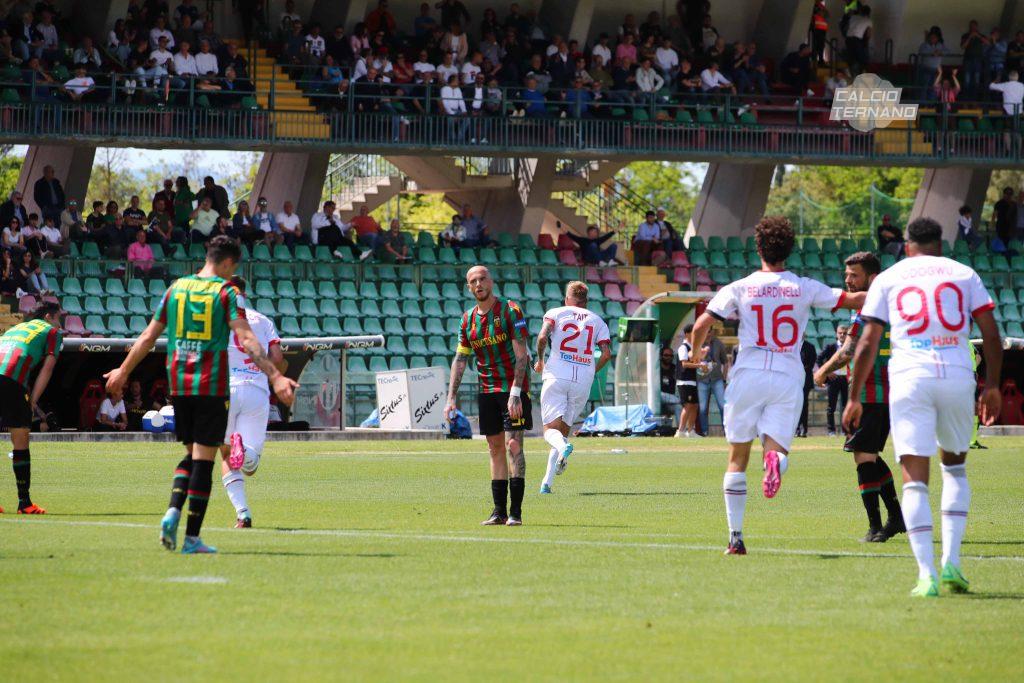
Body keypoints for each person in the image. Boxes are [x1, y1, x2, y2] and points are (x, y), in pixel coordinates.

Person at [104, 236, 298, 555]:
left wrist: (122, 371)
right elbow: (247, 338)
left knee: (191, 454)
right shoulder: (227, 292)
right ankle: (191, 537)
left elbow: (148, 337)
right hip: (211, 384)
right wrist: (275, 376)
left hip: (180, 385)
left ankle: (173, 510)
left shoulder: (176, 289)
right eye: (233, 267)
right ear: (227, 263)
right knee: (204, 462)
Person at [842, 218, 1002, 598]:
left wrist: (853, 396)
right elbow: (991, 334)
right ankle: (953, 564)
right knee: (955, 470)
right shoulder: (964, 273)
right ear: (940, 244)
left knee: (915, 479)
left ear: (907, 246)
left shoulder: (889, 278)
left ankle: (926, 575)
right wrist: (993, 385)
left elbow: (866, 343)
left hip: (910, 378)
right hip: (956, 376)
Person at [689, 216, 865, 555]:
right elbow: (855, 300)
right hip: (787, 374)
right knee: (776, 450)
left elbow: (701, 326)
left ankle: (735, 538)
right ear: (789, 250)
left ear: (758, 248)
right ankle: (775, 462)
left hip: (748, 372)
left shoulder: (739, 287)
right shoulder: (803, 286)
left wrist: (696, 354)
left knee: (737, 458)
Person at [814, 252, 904, 542]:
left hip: (872, 392)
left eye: (854, 275)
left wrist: (822, 371)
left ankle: (876, 526)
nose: (848, 280)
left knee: (863, 456)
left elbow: (849, 350)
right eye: (846, 274)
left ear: (872, 277)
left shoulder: (872, 306)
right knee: (868, 455)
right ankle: (896, 517)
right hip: (882, 392)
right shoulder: (889, 302)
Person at [444, 266, 531, 526]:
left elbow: (522, 355)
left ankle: (515, 513)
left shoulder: (510, 310)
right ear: (469, 287)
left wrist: (515, 392)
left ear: (491, 282)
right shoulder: (467, 320)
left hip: (512, 390)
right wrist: (451, 398)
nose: (478, 284)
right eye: (473, 281)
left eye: (482, 279)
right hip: (487, 390)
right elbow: (460, 359)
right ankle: (498, 511)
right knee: (494, 449)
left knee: (513, 445)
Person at [219, 276, 286, 528]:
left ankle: (243, 513)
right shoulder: (263, 320)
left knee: (226, 455)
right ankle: (245, 450)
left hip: (226, 390)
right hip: (256, 390)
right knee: (250, 465)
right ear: (245, 294)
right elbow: (277, 357)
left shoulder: (218, 320)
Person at [534, 281, 612, 493]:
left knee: (550, 431)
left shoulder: (556, 313)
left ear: (567, 298)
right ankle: (546, 483)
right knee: (563, 430)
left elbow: (542, 337)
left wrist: (540, 361)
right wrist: (592, 370)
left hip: (557, 374)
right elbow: (606, 354)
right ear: (586, 300)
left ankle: (563, 448)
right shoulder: (598, 321)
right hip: (582, 379)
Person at [0, 301, 63, 514]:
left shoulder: (16, 328)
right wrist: (33, 401)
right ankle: (24, 503)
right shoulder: (52, 332)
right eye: (58, 318)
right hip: (11, 378)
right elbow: (48, 368)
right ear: (48, 317)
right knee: (20, 440)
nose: (60, 324)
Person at [817, 325, 850, 436]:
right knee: (831, 406)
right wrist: (827, 372)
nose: (842, 335)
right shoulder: (830, 347)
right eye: (840, 333)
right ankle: (831, 431)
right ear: (836, 334)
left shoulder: (851, 348)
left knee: (846, 406)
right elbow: (819, 359)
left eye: (845, 333)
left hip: (846, 379)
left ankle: (845, 430)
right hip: (833, 379)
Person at [696, 326, 728, 436]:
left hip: (717, 379)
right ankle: (705, 432)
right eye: (705, 332)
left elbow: (725, 362)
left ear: (712, 331)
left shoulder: (718, 343)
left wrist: (724, 379)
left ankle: (726, 430)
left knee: (723, 406)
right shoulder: (698, 343)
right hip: (702, 379)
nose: (707, 334)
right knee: (703, 408)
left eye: (709, 331)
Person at [675, 324, 701, 437]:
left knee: (694, 405)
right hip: (684, 381)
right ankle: (680, 431)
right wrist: (700, 365)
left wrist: (702, 365)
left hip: (692, 380)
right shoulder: (683, 347)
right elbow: (684, 364)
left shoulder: (692, 347)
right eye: (693, 332)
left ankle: (691, 431)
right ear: (687, 334)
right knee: (688, 406)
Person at [796, 338, 817, 437]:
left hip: (805, 379)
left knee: (804, 404)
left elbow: (811, 364)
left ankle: (803, 428)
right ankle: (796, 429)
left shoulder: (810, 347)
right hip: (793, 379)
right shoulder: (791, 346)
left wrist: (799, 369)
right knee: (794, 404)